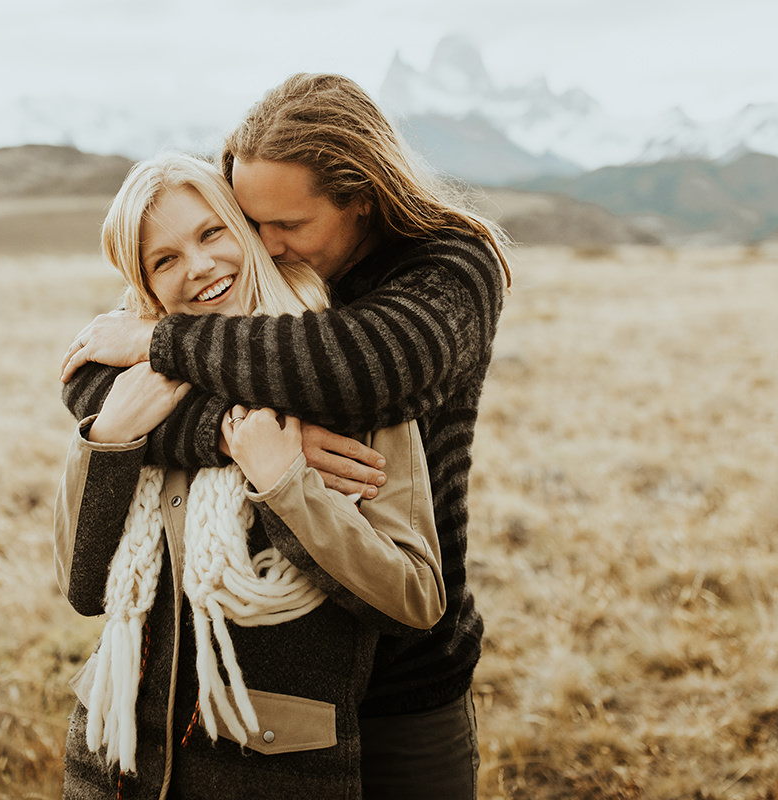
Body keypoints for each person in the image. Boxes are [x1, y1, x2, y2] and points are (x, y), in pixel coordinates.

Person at [60, 73, 512, 799]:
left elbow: (356, 367)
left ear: (360, 194)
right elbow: (93, 377)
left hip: (406, 673)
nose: (262, 249)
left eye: (284, 227)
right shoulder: (233, 294)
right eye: (246, 221)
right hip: (227, 702)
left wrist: (164, 348)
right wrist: (221, 430)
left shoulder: (447, 271)